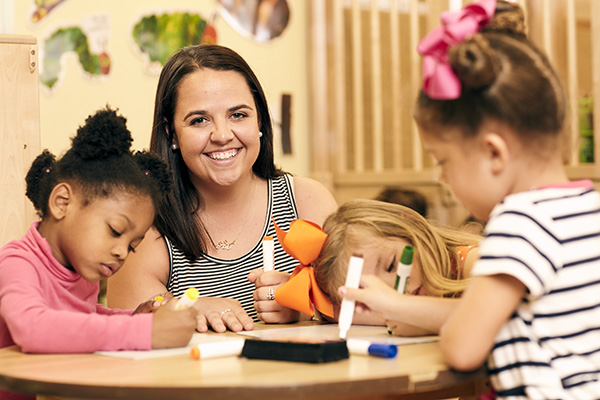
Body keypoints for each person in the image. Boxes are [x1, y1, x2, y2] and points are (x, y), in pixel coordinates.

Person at [341, 0, 600, 398]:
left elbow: (463, 347)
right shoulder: (586, 207)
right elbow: (492, 316)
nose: (443, 179)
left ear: (494, 153)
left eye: (444, 162)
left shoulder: (520, 222)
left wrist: (407, 311)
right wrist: (398, 306)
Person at [107, 44, 338, 331]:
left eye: (238, 115)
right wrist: (187, 308)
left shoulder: (307, 202)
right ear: (171, 133)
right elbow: (125, 337)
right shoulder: (146, 232)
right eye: (199, 120)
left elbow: (357, 305)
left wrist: (306, 310)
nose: (222, 135)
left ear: (260, 121)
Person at [0, 107, 198, 399]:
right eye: (116, 231)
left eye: (132, 245)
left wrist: (136, 318)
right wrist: (145, 334)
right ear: (62, 203)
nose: (122, 253)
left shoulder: (80, 268)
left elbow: (82, 317)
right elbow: (34, 327)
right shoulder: (17, 262)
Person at [313, 199, 479, 336]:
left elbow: (492, 316)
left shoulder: (476, 262)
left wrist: (419, 316)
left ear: (411, 225)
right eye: (374, 289)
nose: (394, 291)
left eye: (391, 265)